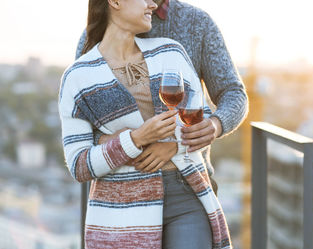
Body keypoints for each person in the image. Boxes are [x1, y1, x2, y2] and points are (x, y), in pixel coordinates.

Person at [59, 0, 233, 249]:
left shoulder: (170, 53)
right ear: (114, 2)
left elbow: (201, 118)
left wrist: (175, 145)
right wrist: (137, 139)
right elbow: (79, 164)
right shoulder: (77, 77)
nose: (152, 3)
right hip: (122, 208)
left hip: (184, 194)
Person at [75, 0, 249, 194]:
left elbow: (233, 92)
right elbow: (82, 121)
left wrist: (213, 126)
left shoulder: (197, 23)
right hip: (120, 190)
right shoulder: (96, 36)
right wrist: (122, 140)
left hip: (188, 182)